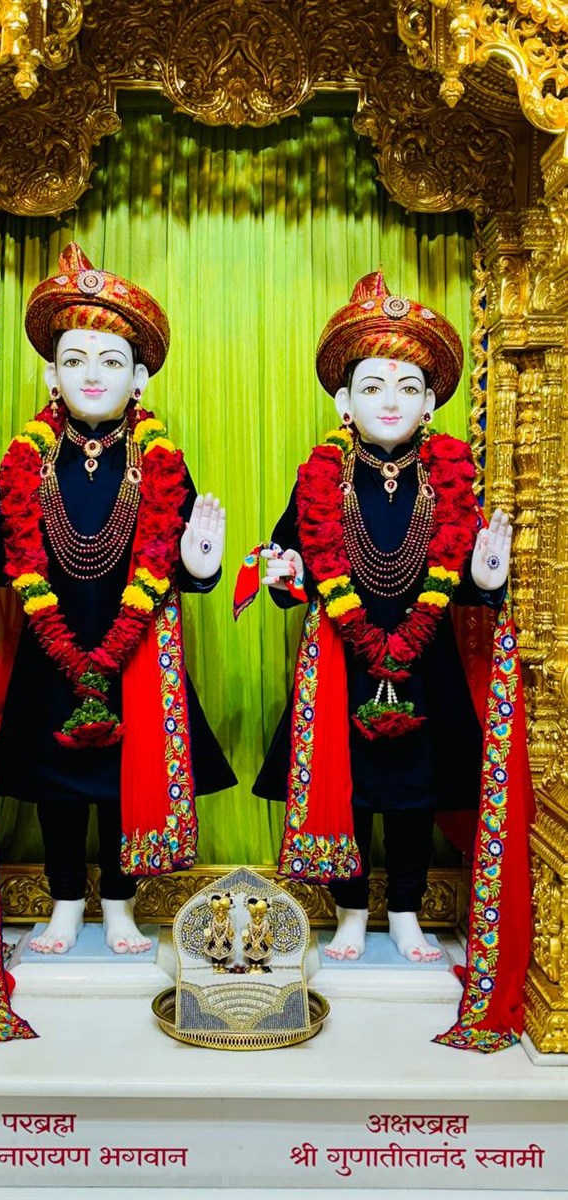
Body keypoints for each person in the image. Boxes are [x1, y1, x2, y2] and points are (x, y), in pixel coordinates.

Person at [0, 244, 235, 1041]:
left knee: (122, 780)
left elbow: (181, 558)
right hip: (50, 642)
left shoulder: (160, 462)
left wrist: (203, 564)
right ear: (51, 375)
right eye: (74, 360)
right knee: (60, 784)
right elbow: (8, 551)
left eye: (111, 361)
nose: (92, 374)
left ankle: (121, 905)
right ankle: (65, 902)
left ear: (141, 379)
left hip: (135, 647)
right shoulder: (26, 459)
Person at [238, 271, 533, 1050]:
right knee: (351, 790)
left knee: (410, 794)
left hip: (425, 659)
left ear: (431, 404)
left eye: (407, 387)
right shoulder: (319, 478)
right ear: (344, 403)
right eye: (372, 387)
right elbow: (288, 566)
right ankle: (350, 912)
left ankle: (403, 911)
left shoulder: (453, 479)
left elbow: (471, 583)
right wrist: (280, 575)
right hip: (341, 660)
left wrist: (487, 579)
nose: (390, 401)